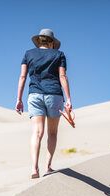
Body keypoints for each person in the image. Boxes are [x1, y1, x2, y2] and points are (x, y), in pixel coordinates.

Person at [15, 28, 72, 179]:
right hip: (54, 94)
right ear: (52, 42)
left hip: (34, 94)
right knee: (52, 132)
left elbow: (22, 77)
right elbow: (63, 76)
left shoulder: (28, 54)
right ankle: (47, 166)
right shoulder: (59, 54)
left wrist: (19, 99)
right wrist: (69, 99)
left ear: (39, 41)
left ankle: (34, 168)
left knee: (36, 132)